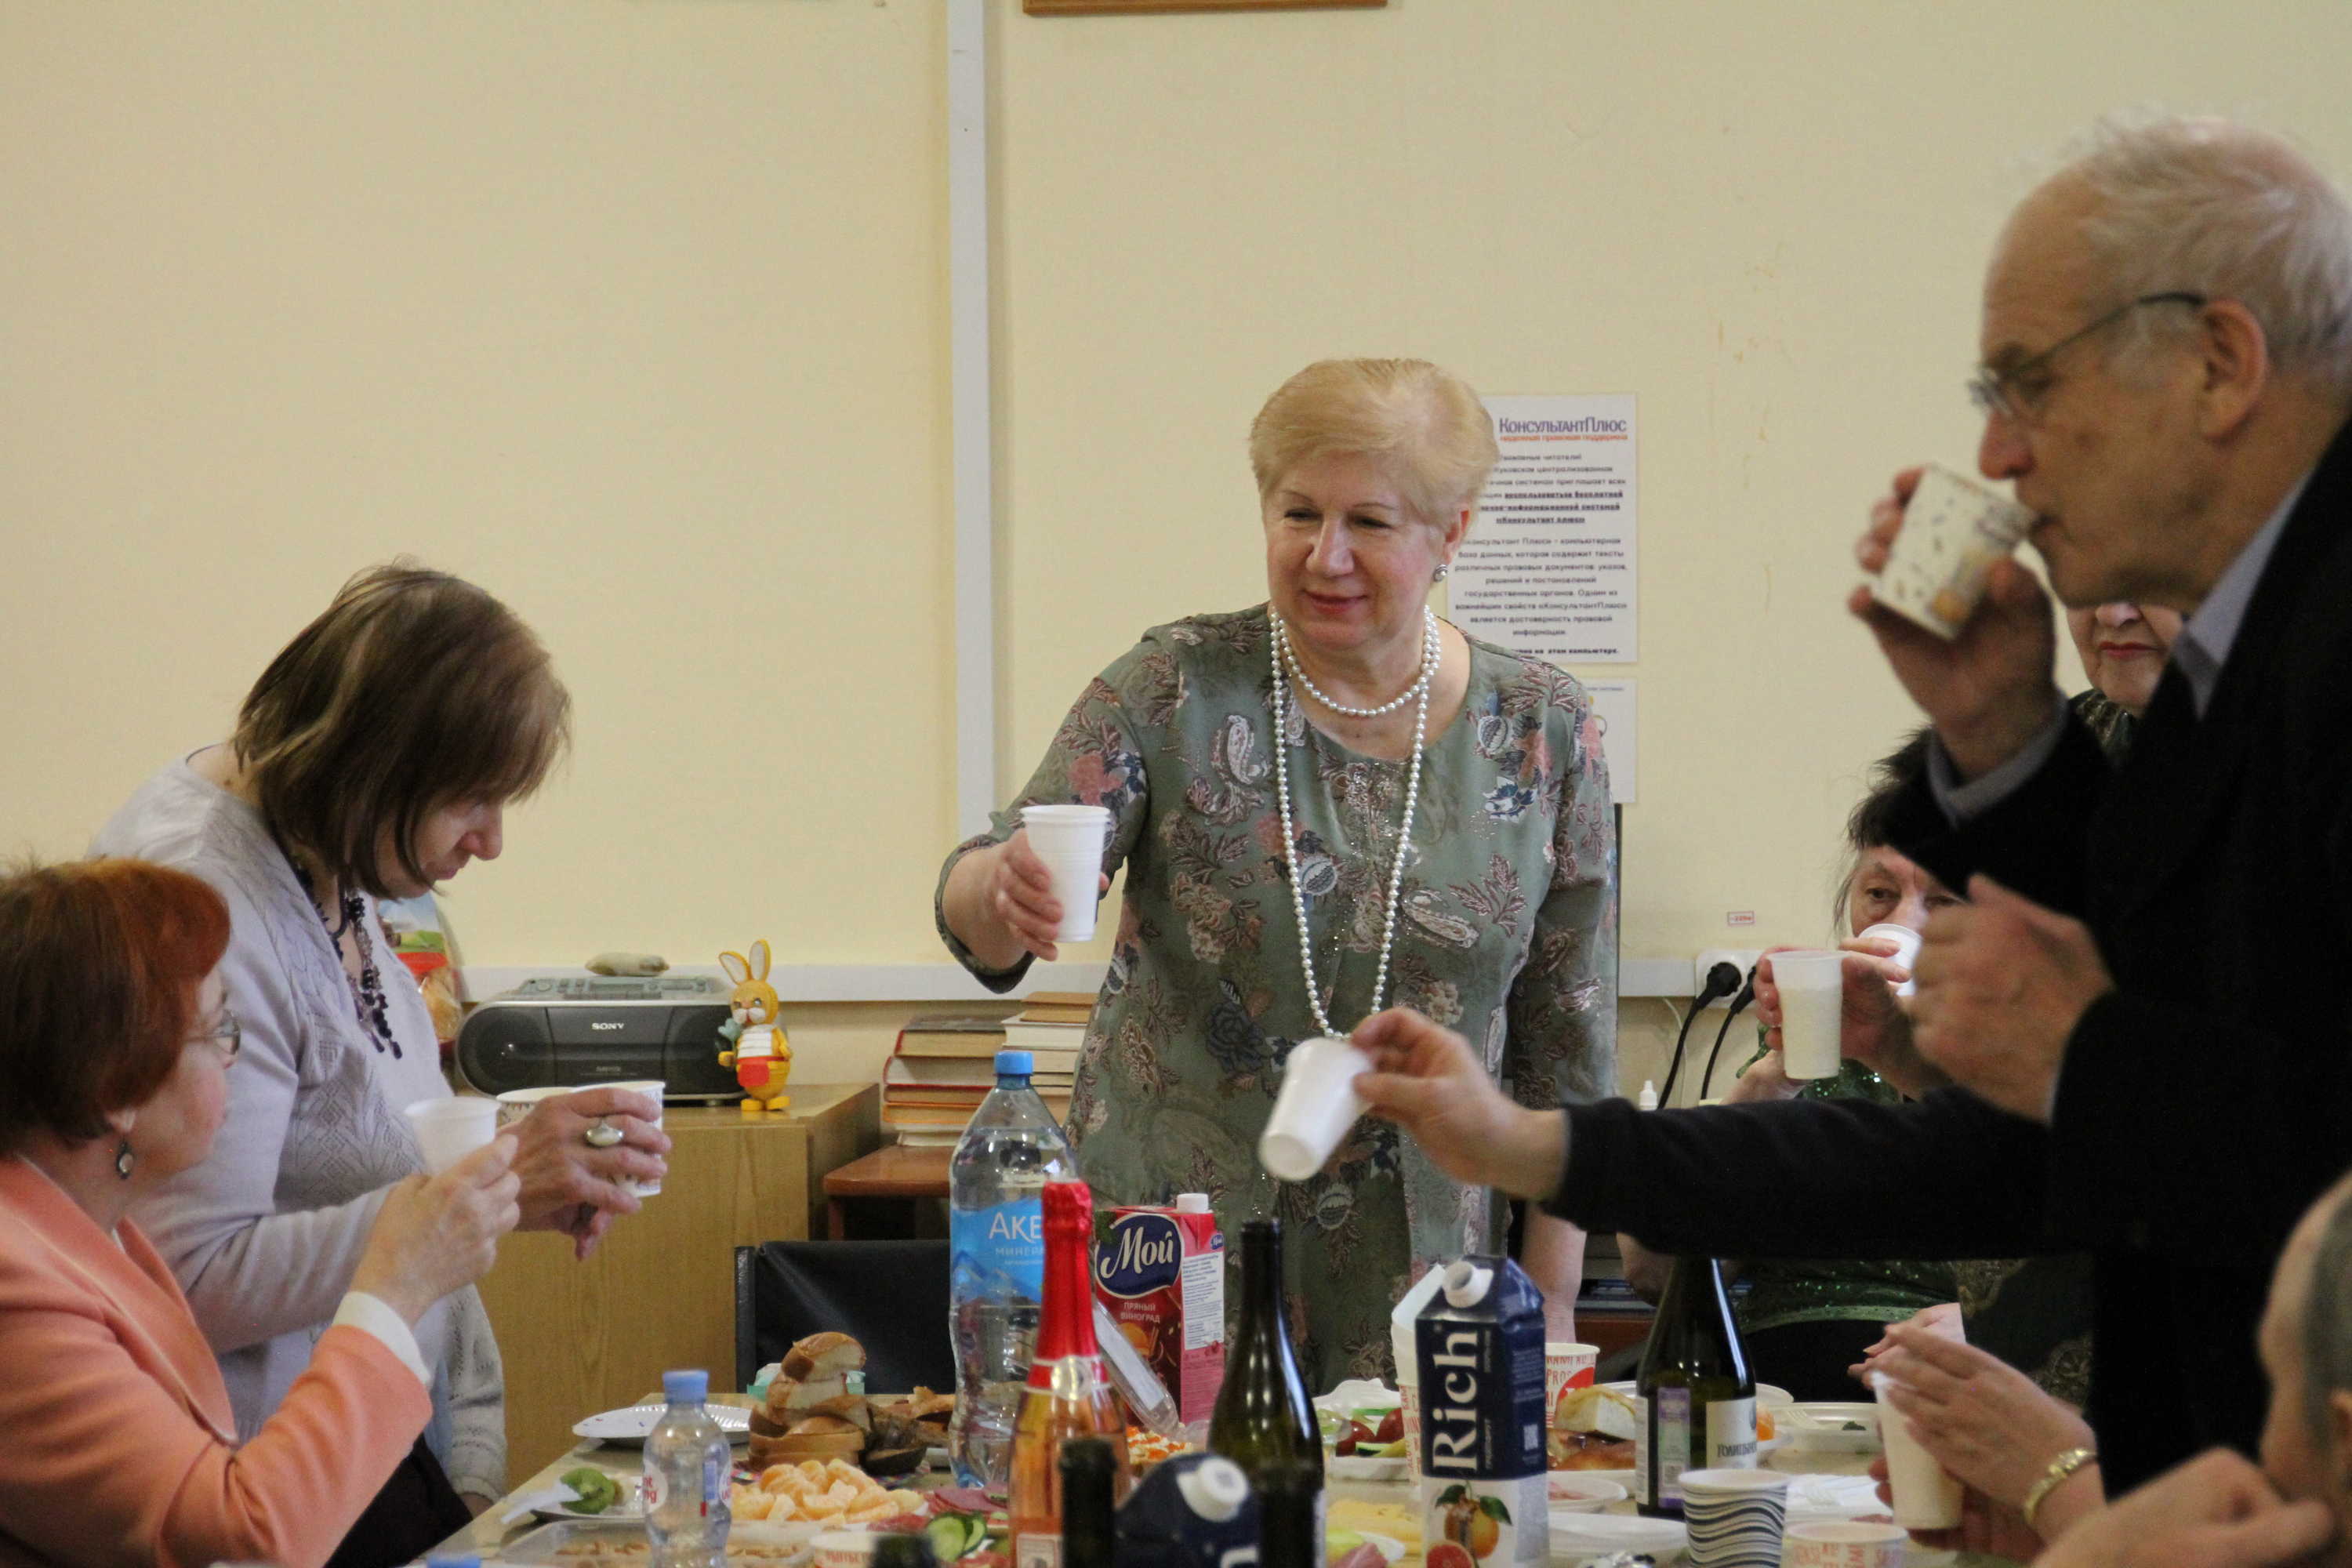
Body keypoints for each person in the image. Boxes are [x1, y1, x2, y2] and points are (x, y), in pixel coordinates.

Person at [1359, 114, 2352, 1493]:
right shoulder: (2227, 662)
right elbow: (2095, 1072)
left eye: (2028, 385)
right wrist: (2001, 737)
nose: (1998, 452)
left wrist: (2084, 1061)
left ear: (2220, 363)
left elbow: (2182, 1098)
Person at [935, 358, 1615, 1386]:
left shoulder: (1543, 728)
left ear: (1453, 534)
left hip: (1424, 1266)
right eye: (1298, 513)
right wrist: (997, 887)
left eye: (1369, 522)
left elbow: (1570, 1049)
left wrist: (1554, 1298)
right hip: (1170, 1255)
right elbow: (980, 909)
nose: (1324, 555)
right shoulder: (1172, 688)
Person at [89, 563, 670, 1560]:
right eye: (472, 798)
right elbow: (180, 1277)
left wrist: (519, 1180)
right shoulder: (203, 898)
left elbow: (351, 1152)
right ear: (373, 765)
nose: (490, 840)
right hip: (254, 1488)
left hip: (360, 1444)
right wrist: (480, 1193)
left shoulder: (330, 850)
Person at [0, 857, 523, 1568]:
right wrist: (394, 1291)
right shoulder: (18, 1290)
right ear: (113, 1089)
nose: (233, 1057)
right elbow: (244, 1536)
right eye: (216, 1030)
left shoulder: (92, 1230)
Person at [1621, 735, 1960, 1399]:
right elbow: (1654, 1270)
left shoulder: (2034, 1067)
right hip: (1778, 1370)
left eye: (1945, 902)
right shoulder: (1819, 1052)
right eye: (1880, 893)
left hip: (1950, 1371)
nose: (1902, 923)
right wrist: (1776, 1074)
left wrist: (1988, 1324)